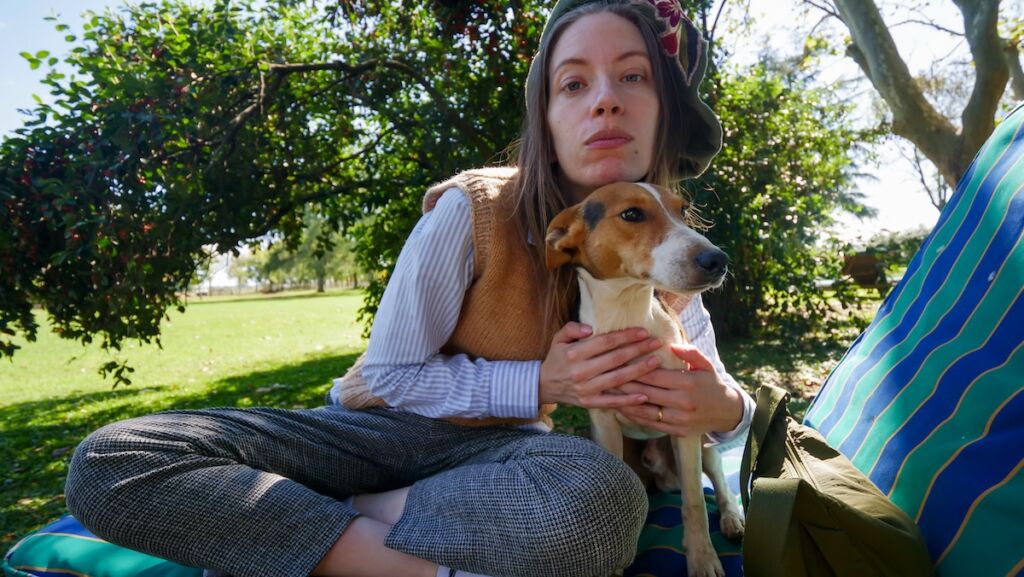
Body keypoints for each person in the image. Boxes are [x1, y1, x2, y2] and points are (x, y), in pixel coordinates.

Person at [64, 1, 754, 576]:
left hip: (498, 457)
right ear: (544, 116)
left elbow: (715, 390)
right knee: (111, 459)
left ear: (664, 113)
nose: (604, 98)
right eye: (574, 84)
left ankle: (322, 519)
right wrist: (541, 379)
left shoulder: (667, 255)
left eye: (633, 77)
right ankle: (394, 554)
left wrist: (723, 403)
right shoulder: (473, 209)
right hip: (374, 431)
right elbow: (392, 373)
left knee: (605, 503)